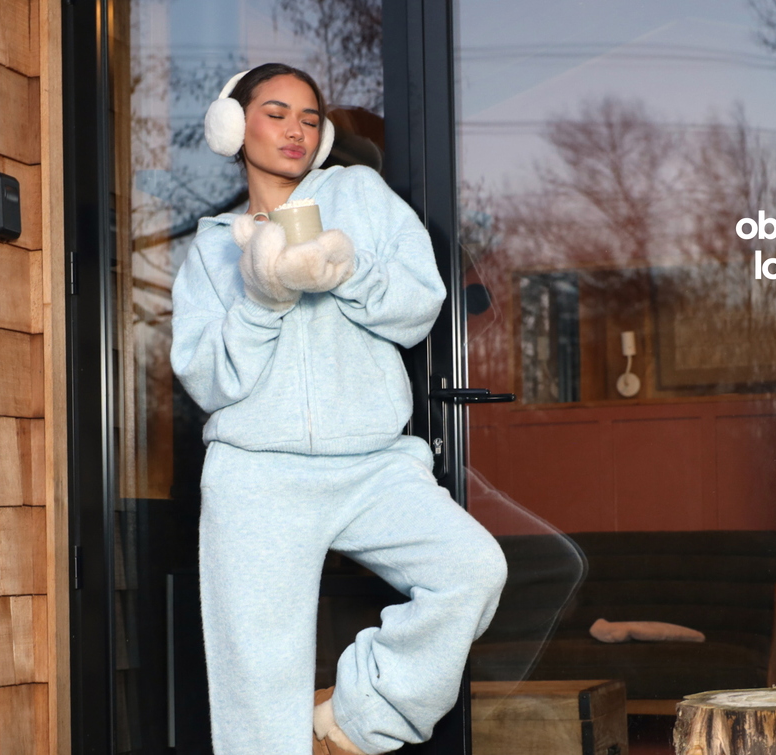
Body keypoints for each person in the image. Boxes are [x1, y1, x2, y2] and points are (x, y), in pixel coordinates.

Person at [169, 62, 509, 755]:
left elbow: (419, 306)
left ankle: (357, 718)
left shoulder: (359, 194)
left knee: (471, 569)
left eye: (309, 117)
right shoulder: (211, 249)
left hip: (373, 462)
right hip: (258, 475)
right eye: (275, 113)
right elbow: (212, 380)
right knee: (257, 682)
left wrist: (345, 269)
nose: (295, 129)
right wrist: (263, 298)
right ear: (233, 127)